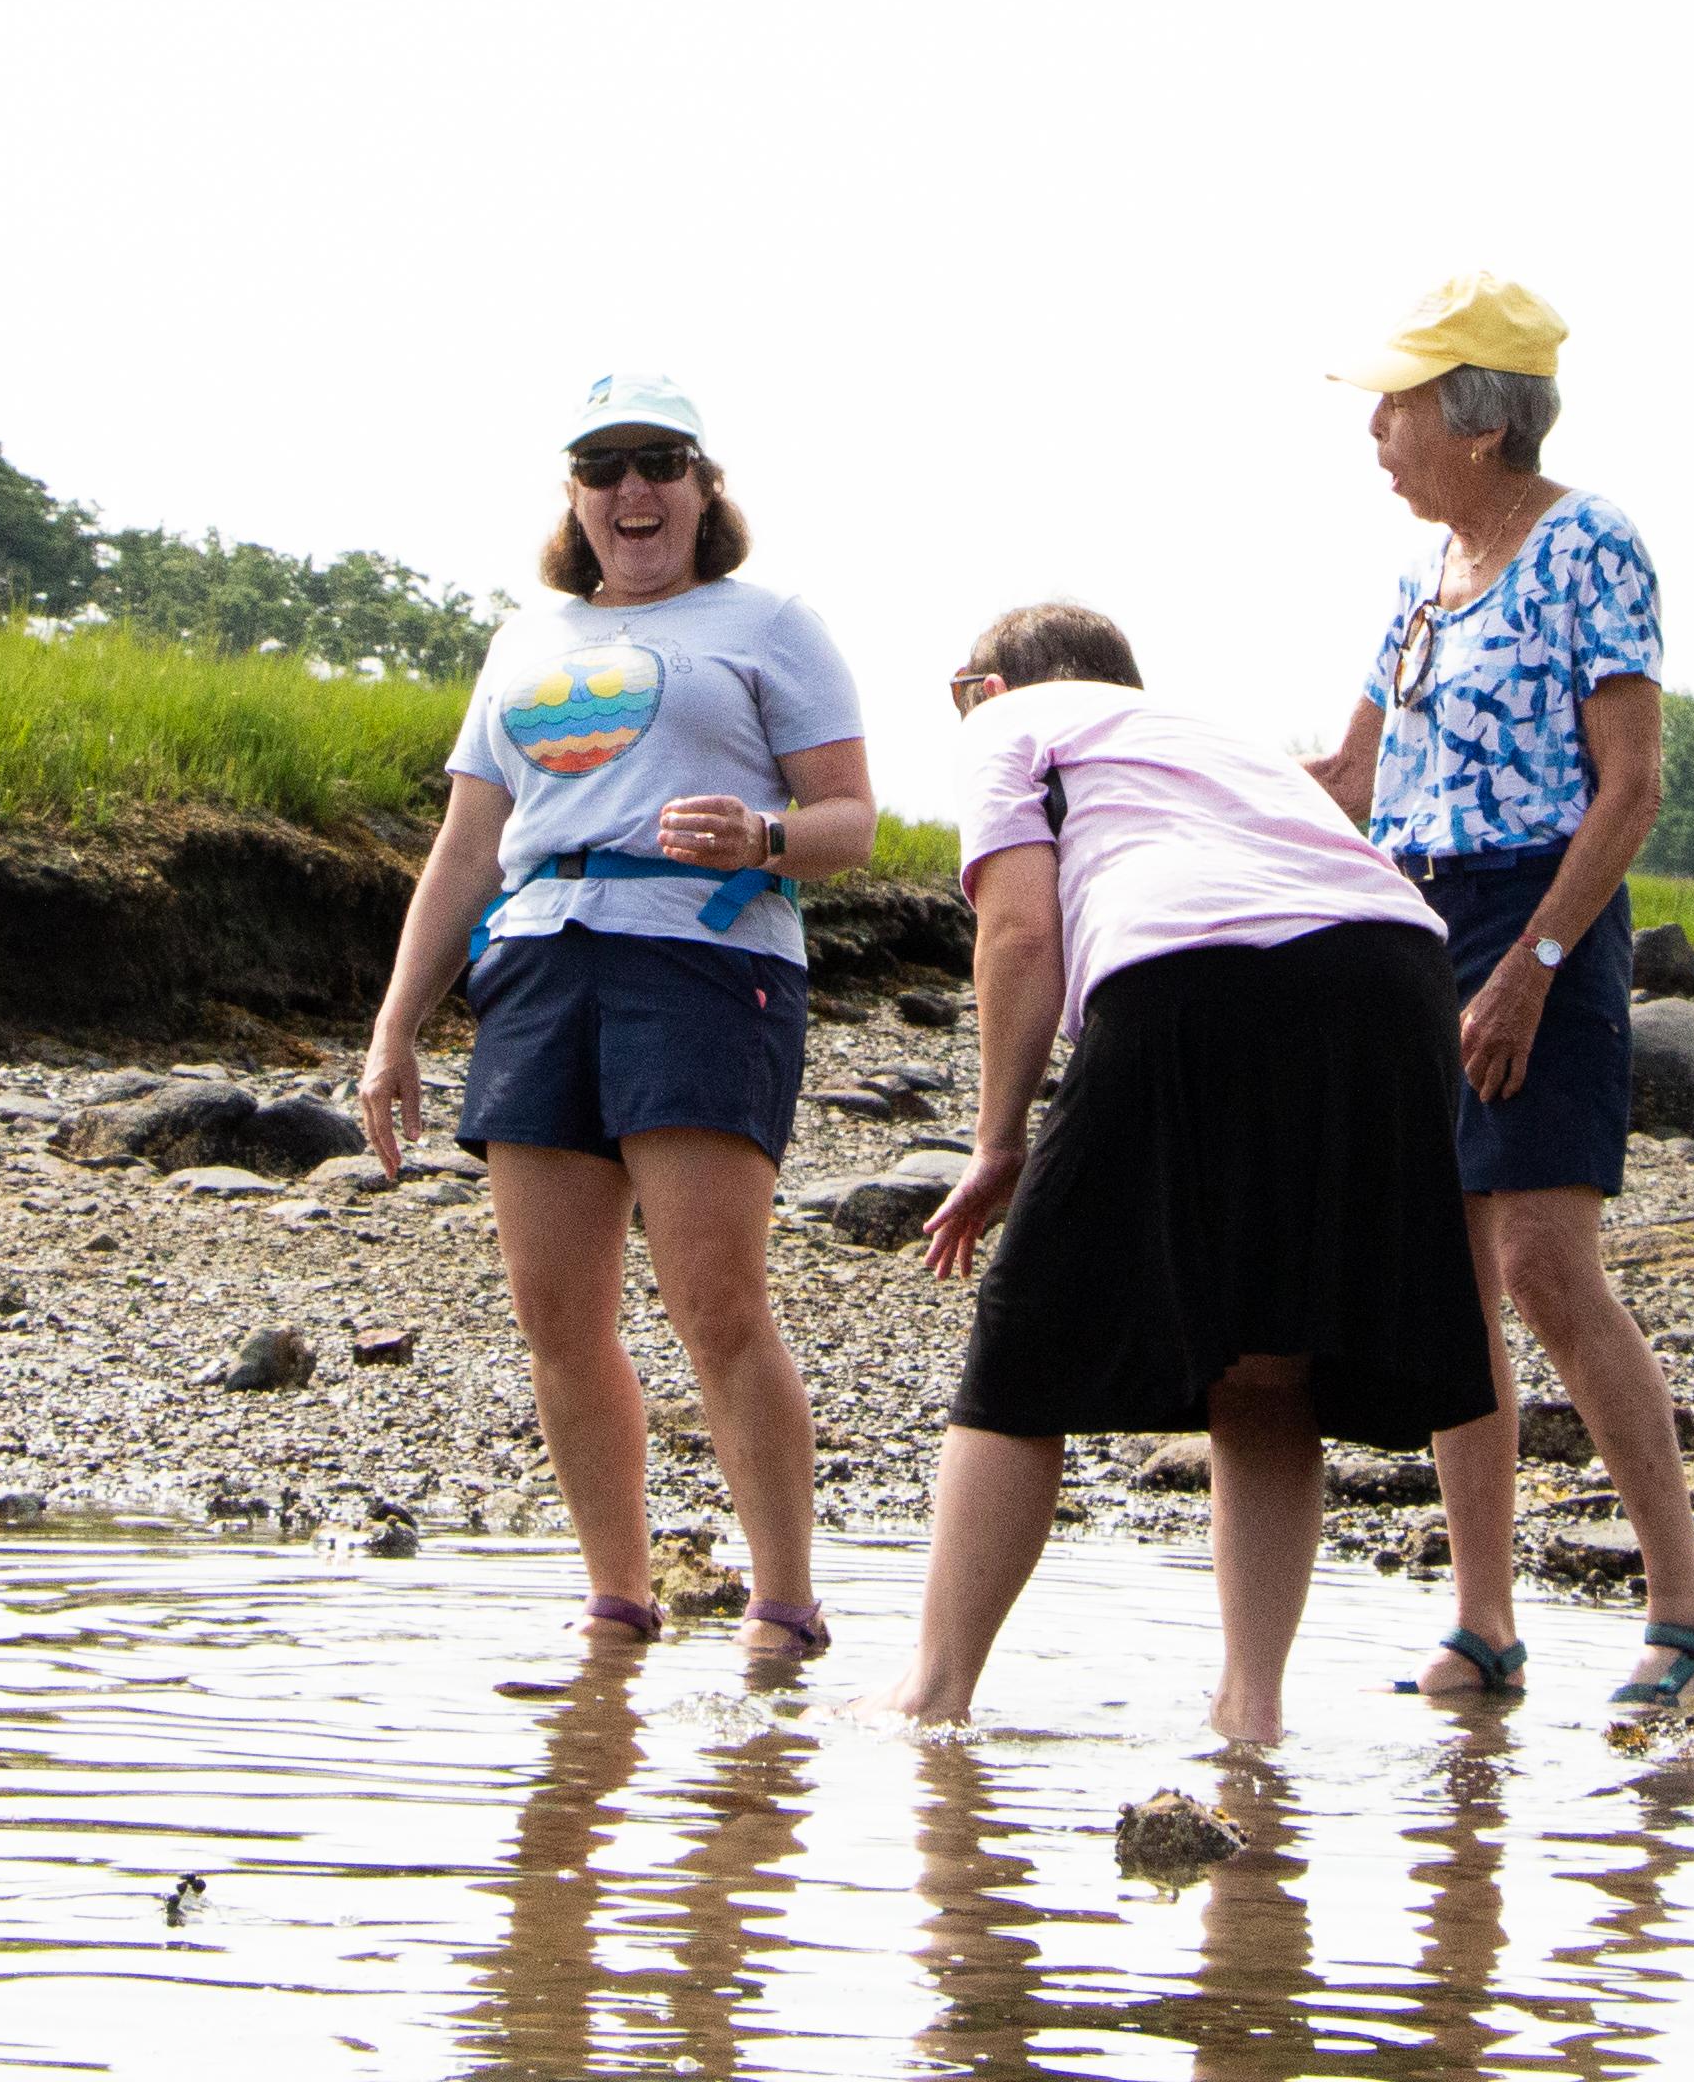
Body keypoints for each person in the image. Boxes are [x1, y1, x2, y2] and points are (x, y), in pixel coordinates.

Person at [888, 601, 1497, 1739]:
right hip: (1395, 976)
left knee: (1023, 1344)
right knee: (1269, 1359)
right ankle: (1250, 1713)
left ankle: (933, 1696)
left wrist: (998, 1139)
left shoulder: (1010, 725)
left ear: (984, 686)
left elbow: (1019, 934)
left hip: (1198, 971)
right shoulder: (1205, 736)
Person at [358, 372, 875, 1658]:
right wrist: (395, 1027)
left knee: (717, 1303)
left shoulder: (771, 623)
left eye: (659, 462)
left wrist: (762, 834)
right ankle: (615, 1598)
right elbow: (468, 846)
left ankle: (783, 1603)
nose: (632, 490)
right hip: (537, 963)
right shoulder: (526, 640)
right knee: (555, 1313)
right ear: (574, 496)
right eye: (604, 467)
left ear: (704, 486)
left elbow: (850, 824)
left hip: (703, 965)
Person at [1303, 271, 1694, 1707]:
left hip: (1540, 915)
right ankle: (1483, 1621)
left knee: (1548, 1267)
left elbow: (1631, 793)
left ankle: (1686, 1610)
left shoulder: (1589, 548)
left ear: (1478, 422)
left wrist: (1534, 970)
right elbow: (1356, 779)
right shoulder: (1422, 579)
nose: (1378, 427)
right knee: (1448, 1283)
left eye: (1402, 402)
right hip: (1413, 924)